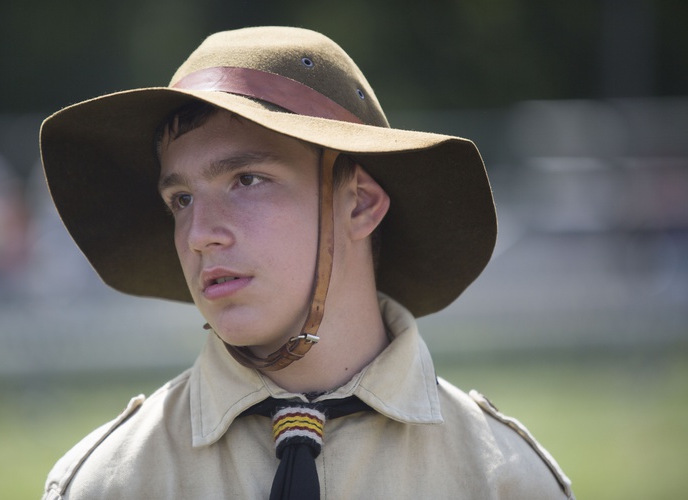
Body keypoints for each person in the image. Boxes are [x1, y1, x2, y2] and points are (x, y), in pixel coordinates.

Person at [40, 26, 573, 499]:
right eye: (181, 199)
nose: (199, 235)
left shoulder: (502, 481)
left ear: (359, 203)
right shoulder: (111, 483)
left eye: (246, 180)